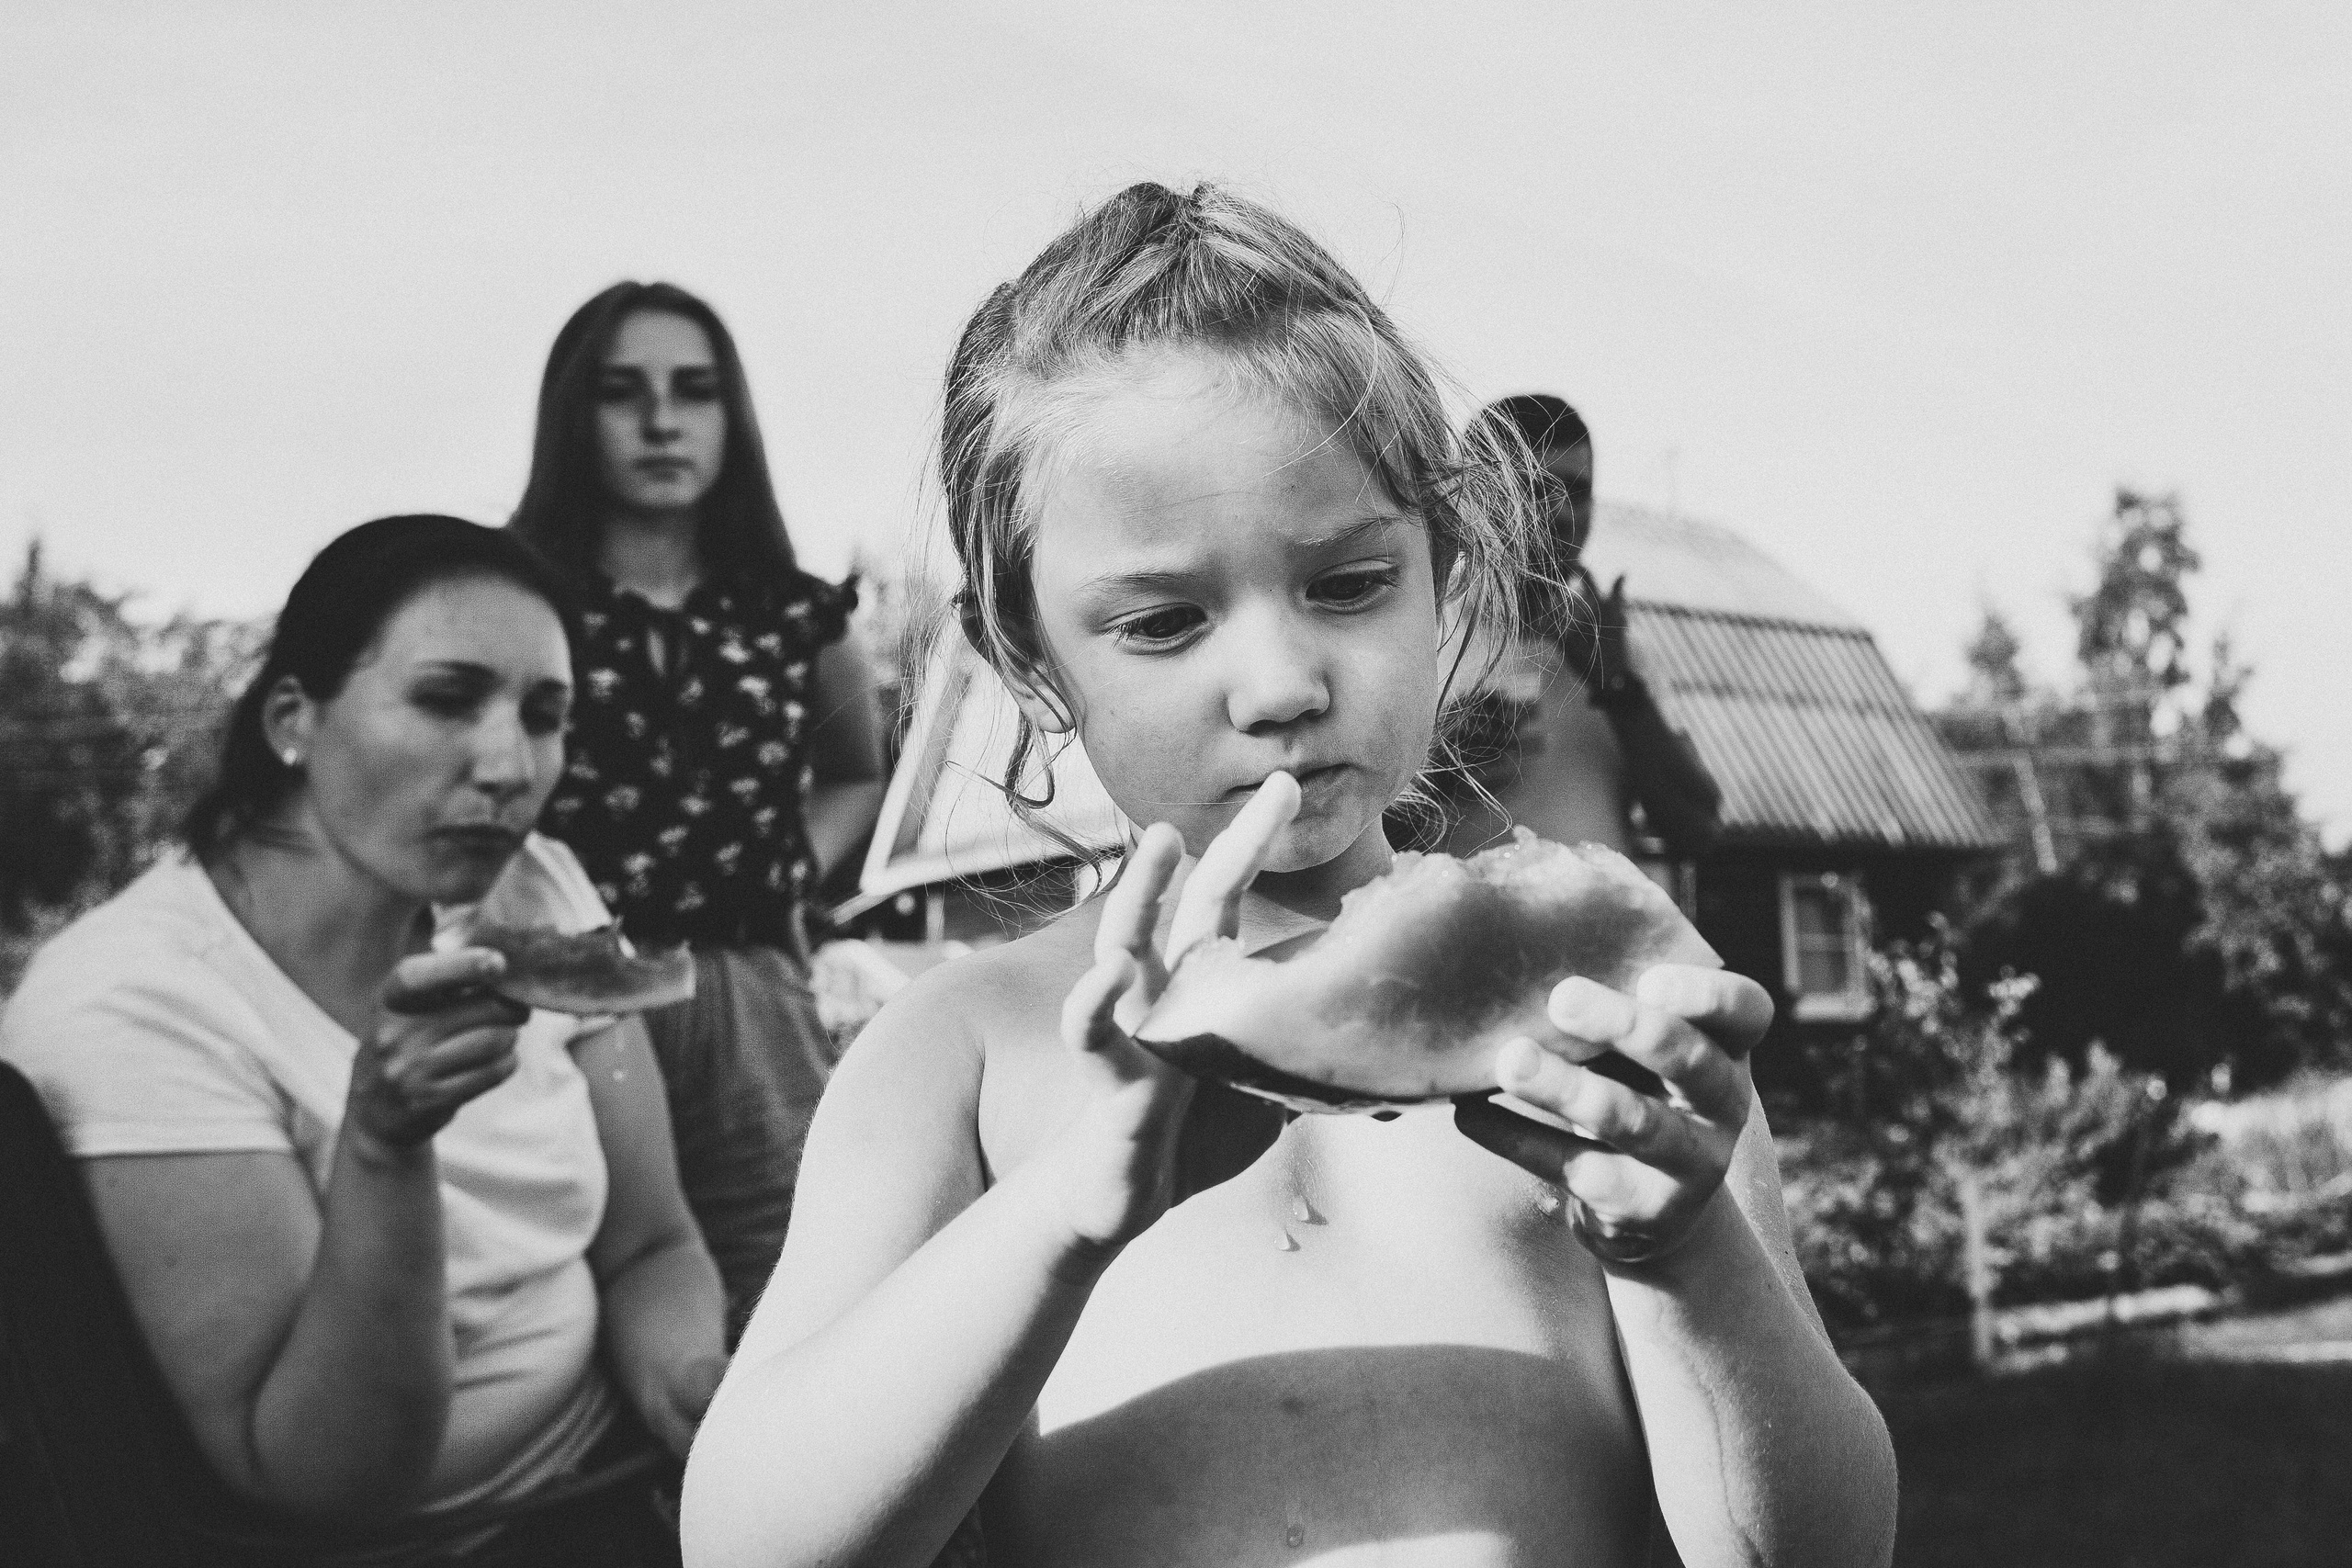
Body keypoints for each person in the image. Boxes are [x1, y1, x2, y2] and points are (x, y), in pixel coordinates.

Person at [681, 184, 1897, 1568]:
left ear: (1447, 568)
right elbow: (744, 1542)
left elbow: (1821, 1551)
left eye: (1347, 584)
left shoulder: (1606, 1011)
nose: (1280, 683)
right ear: (1025, 656)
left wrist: (1692, 1261)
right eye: (1161, 619)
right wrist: (1070, 1209)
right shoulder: (954, 1057)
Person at [0, 516, 728, 1566]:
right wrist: (384, 1145)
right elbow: (324, 1475)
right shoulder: (133, 1005)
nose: (509, 764)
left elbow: (651, 1245)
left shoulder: (537, 885)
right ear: (295, 718)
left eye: (545, 714)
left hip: (618, 1474)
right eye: (446, 698)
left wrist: (684, 1385)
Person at [510, 282, 887, 1343]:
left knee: (794, 1307)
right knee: (576, 1310)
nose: (662, 420)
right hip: (560, 1001)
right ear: (573, 417)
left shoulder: (792, 611)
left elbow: (855, 771)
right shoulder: (521, 600)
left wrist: (782, 876)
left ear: (733, 417)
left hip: (746, 1005)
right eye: (623, 392)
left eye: (695, 391)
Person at [1435, 394, 1722, 862]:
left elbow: (1697, 831)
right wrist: (1439, 770)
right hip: (1450, 932)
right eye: (1535, 487)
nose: (1564, 513)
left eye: (1578, 490)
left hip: (1593, 932)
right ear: (1473, 496)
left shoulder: (1623, 657)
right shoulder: (1424, 637)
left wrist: (1618, 689)